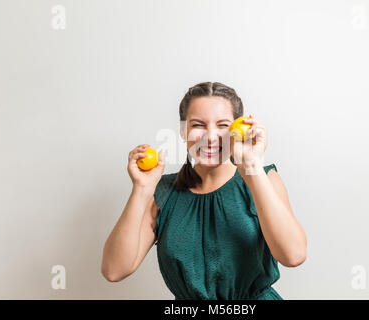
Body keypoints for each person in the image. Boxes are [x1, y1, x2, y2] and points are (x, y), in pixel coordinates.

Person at [101, 81, 307, 300]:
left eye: (222, 125)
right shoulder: (164, 192)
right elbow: (114, 270)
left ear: (239, 129)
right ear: (183, 131)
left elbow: (293, 256)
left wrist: (252, 166)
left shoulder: (262, 178)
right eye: (198, 125)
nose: (210, 137)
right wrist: (141, 189)